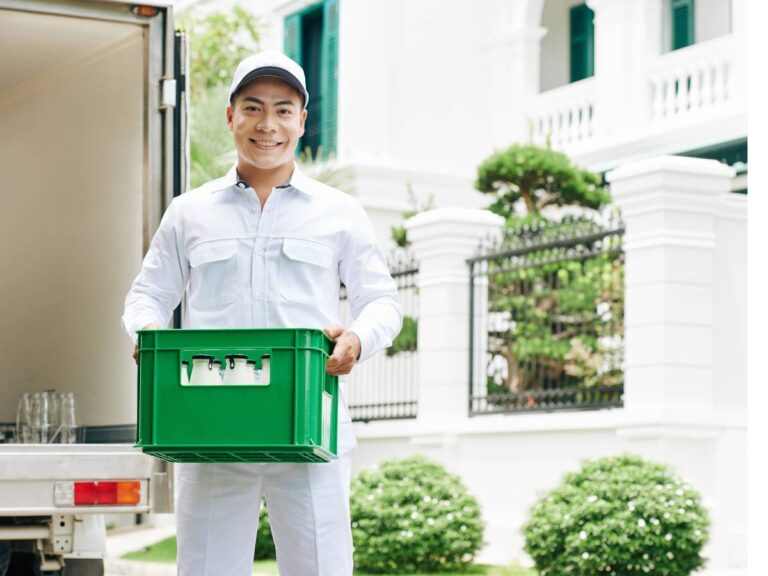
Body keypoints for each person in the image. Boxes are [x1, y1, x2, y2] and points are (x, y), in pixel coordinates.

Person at [122, 50, 402, 576]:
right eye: (252, 107)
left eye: (282, 109)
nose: (267, 124)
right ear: (231, 117)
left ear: (301, 120)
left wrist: (358, 339)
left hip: (311, 427)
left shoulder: (340, 212)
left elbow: (382, 300)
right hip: (210, 430)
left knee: (319, 568)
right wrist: (151, 335)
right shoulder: (190, 212)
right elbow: (147, 297)